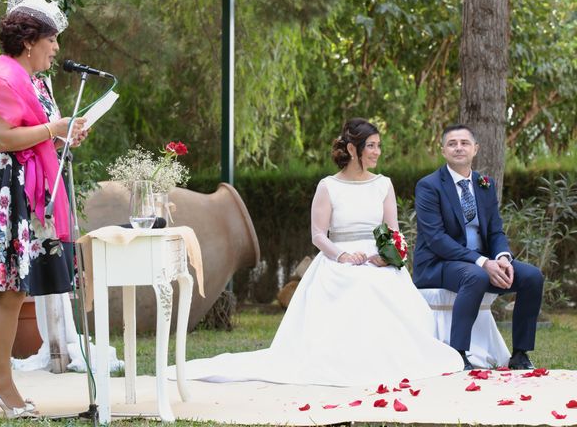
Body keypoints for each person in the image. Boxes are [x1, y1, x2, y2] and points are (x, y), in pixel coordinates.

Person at [173, 118, 463, 386]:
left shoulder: (383, 184)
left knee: (381, 285)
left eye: (378, 145)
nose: (377, 151)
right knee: (357, 284)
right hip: (339, 258)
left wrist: (386, 256)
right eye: (371, 146)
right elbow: (317, 235)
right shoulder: (328, 186)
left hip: (377, 258)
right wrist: (342, 256)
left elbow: (393, 230)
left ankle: (387, 358)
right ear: (352, 148)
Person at [0, 0, 87, 418]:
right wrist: (53, 128)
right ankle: (0, 380)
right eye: (52, 39)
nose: (57, 48)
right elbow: (3, 137)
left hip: (29, 187)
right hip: (5, 188)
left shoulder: (38, 81)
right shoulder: (3, 77)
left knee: (17, 287)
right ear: (30, 40)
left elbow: (43, 131)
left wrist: (65, 133)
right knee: (7, 288)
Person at [413, 124, 544, 370]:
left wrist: (502, 257)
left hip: (483, 263)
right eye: (452, 143)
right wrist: (482, 262)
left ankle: (520, 354)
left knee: (531, 276)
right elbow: (436, 238)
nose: (458, 147)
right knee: (475, 276)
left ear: (476, 149)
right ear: (443, 151)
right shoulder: (429, 186)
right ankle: (459, 355)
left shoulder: (485, 184)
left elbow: (495, 230)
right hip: (438, 264)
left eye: (464, 143)